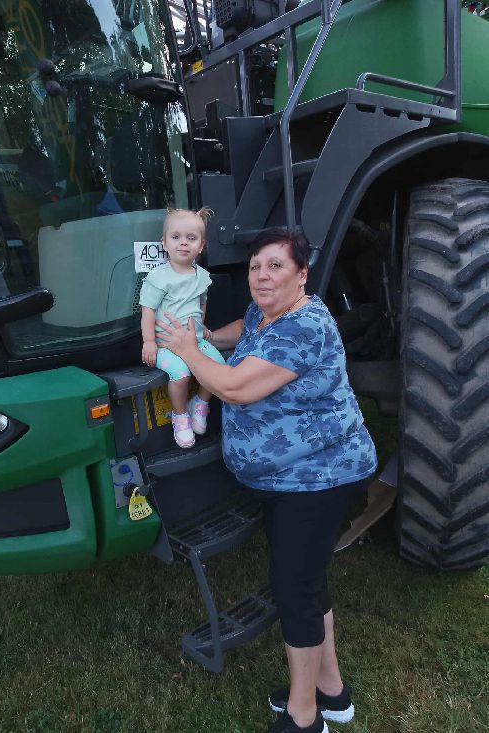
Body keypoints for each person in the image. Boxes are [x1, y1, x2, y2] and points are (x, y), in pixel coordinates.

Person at [156, 228, 378, 733]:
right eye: (255, 266)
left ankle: (304, 717)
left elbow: (234, 388)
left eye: (276, 266)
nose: (261, 276)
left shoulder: (304, 327)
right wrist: (212, 336)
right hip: (288, 481)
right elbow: (245, 326)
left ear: (302, 275)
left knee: (294, 590)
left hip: (319, 478)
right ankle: (332, 692)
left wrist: (189, 349)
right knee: (307, 583)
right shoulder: (267, 312)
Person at [139, 207, 225, 448]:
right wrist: (149, 342)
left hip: (195, 341)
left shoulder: (202, 276)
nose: (183, 243)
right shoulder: (159, 277)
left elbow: (201, 303)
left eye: (191, 238)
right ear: (164, 243)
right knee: (181, 374)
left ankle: (200, 403)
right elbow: (148, 311)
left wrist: (201, 325)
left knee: (218, 367)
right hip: (165, 345)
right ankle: (180, 416)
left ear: (201, 245)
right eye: (176, 237)